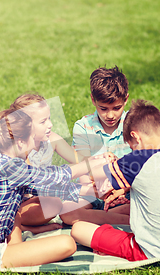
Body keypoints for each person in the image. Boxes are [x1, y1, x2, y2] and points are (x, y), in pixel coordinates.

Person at [0, 108, 107, 273]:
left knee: (16, 210)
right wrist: (90, 164)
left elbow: (49, 188)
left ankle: (17, 249)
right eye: (32, 136)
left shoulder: (3, 161)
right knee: (67, 244)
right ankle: (16, 252)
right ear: (20, 142)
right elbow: (53, 176)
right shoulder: (10, 168)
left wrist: (93, 191)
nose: (35, 139)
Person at [71, 100, 160, 263]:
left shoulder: (137, 160)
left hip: (151, 251)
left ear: (135, 137)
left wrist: (104, 159)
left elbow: (94, 174)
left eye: (131, 147)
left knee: (78, 229)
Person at [60, 66, 132, 225]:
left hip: (127, 191)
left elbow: (142, 168)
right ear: (93, 100)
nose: (111, 115)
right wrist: (106, 193)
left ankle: (105, 217)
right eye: (103, 109)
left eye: (117, 108)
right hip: (92, 192)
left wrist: (122, 190)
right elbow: (85, 172)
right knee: (66, 210)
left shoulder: (134, 123)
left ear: (125, 99)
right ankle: (115, 217)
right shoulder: (83, 127)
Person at [9, 94, 87, 233]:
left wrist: (103, 161)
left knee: (61, 201)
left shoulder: (51, 139)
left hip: (38, 198)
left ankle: (28, 226)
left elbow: (79, 160)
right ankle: (22, 227)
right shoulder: (20, 149)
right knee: (54, 203)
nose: (50, 125)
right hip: (15, 206)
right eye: (43, 121)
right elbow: (36, 185)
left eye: (49, 118)